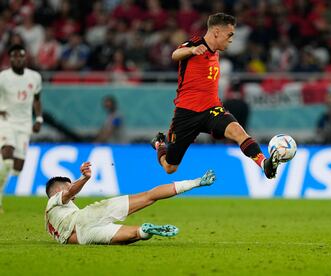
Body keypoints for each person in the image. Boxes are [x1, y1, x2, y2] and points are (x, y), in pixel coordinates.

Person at [151, 13, 280, 179]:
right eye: (230, 34)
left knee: (238, 132)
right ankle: (158, 143)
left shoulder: (216, 52)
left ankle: (264, 164)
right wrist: (191, 50)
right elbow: (175, 55)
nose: (231, 39)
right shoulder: (196, 44)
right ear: (217, 31)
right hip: (187, 112)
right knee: (170, 167)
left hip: (212, 109)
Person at [45, 161, 216, 245]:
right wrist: (84, 178)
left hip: (83, 238)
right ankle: (195, 182)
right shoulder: (54, 200)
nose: (74, 195)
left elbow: (70, 195)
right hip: (84, 219)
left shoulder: (49, 223)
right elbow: (69, 193)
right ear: (58, 191)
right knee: (148, 196)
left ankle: (145, 231)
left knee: (133, 235)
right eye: (68, 186)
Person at [0, 44, 43, 213]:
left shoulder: (35, 77)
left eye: (21, 56)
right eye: (14, 56)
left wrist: (39, 118)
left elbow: (37, 99)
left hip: (25, 125)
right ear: (10, 58)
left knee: (16, 168)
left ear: (25, 58)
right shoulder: (3, 77)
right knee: (8, 157)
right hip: (6, 121)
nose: (17, 59)